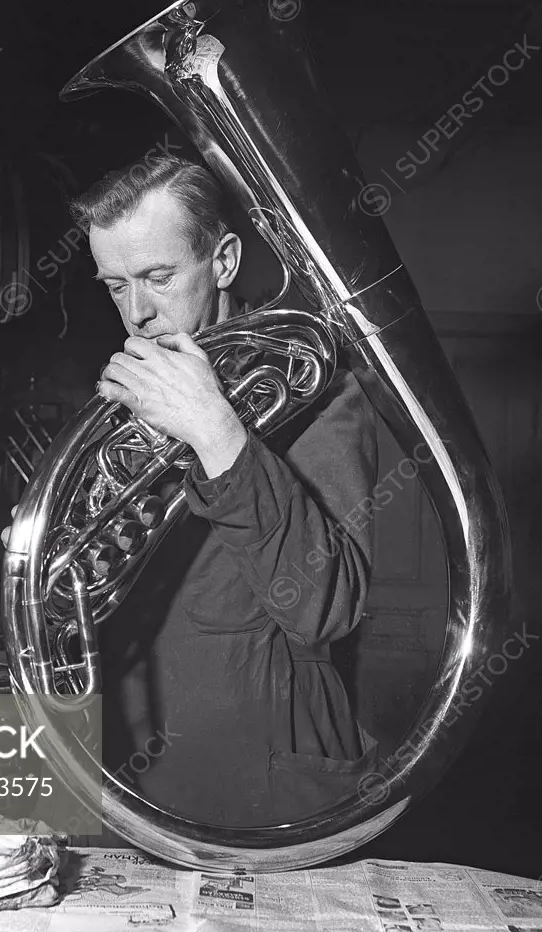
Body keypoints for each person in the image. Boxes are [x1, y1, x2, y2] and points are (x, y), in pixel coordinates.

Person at [70, 150, 378, 828]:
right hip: (132, 768)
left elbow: (329, 606)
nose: (138, 312)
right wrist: (63, 555)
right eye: (115, 285)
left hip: (262, 778)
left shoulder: (316, 388)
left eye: (158, 277)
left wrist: (219, 434)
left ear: (226, 262)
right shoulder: (132, 396)